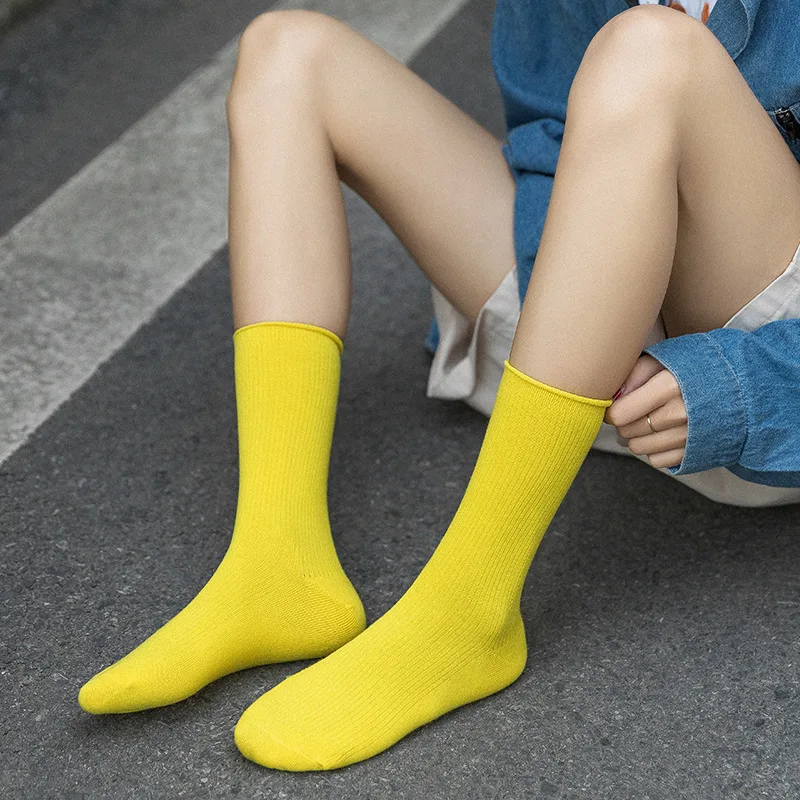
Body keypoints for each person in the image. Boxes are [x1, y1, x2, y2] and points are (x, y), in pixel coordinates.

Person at [78, 0, 800, 772]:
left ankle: (470, 613)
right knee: (287, 51)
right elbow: (554, 139)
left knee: (652, 51)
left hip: (760, 371)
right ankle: (277, 564)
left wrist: (741, 387)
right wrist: (587, 305)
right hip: (615, 373)